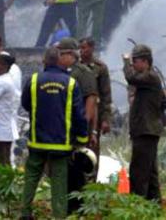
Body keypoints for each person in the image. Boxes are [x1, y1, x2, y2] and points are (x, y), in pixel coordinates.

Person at [20, 47, 88, 220]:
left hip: (37, 141)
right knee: (59, 182)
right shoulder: (70, 83)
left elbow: (26, 104)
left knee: (31, 178)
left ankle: (25, 213)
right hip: (61, 143)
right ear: (59, 61)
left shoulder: (34, 80)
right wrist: (82, 138)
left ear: (44, 61)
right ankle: (59, 216)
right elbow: (78, 114)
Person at [55, 38, 97, 214]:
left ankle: (78, 208)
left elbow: (91, 98)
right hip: (63, 128)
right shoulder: (62, 72)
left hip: (76, 128)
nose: (57, 57)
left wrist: (85, 124)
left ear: (70, 54)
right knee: (65, 169)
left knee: (76, 169)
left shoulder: (83, 72)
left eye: (60, 54)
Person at [123, 44, 166, 201]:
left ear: (145, 61)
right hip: (148, 130)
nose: (133, 64)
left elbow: (131, 78)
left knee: (139, 171)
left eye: (135, 61)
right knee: (150, 171)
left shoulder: (150, 77)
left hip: (145, 130)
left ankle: (137, 204)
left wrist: (125, 62)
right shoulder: (151, 79)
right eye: (132, 61)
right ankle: (154, 203)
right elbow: (163, 102)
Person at [79, 37, 112, 168]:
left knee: (93, 149)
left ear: (92, 49)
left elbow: (106, 95)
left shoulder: (100, 68)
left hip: (94, 115)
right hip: (78, 112)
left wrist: (105, 119)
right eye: (80, 48)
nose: (81, 51)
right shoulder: (76, 67)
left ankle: (92, 178)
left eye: (84, 48)